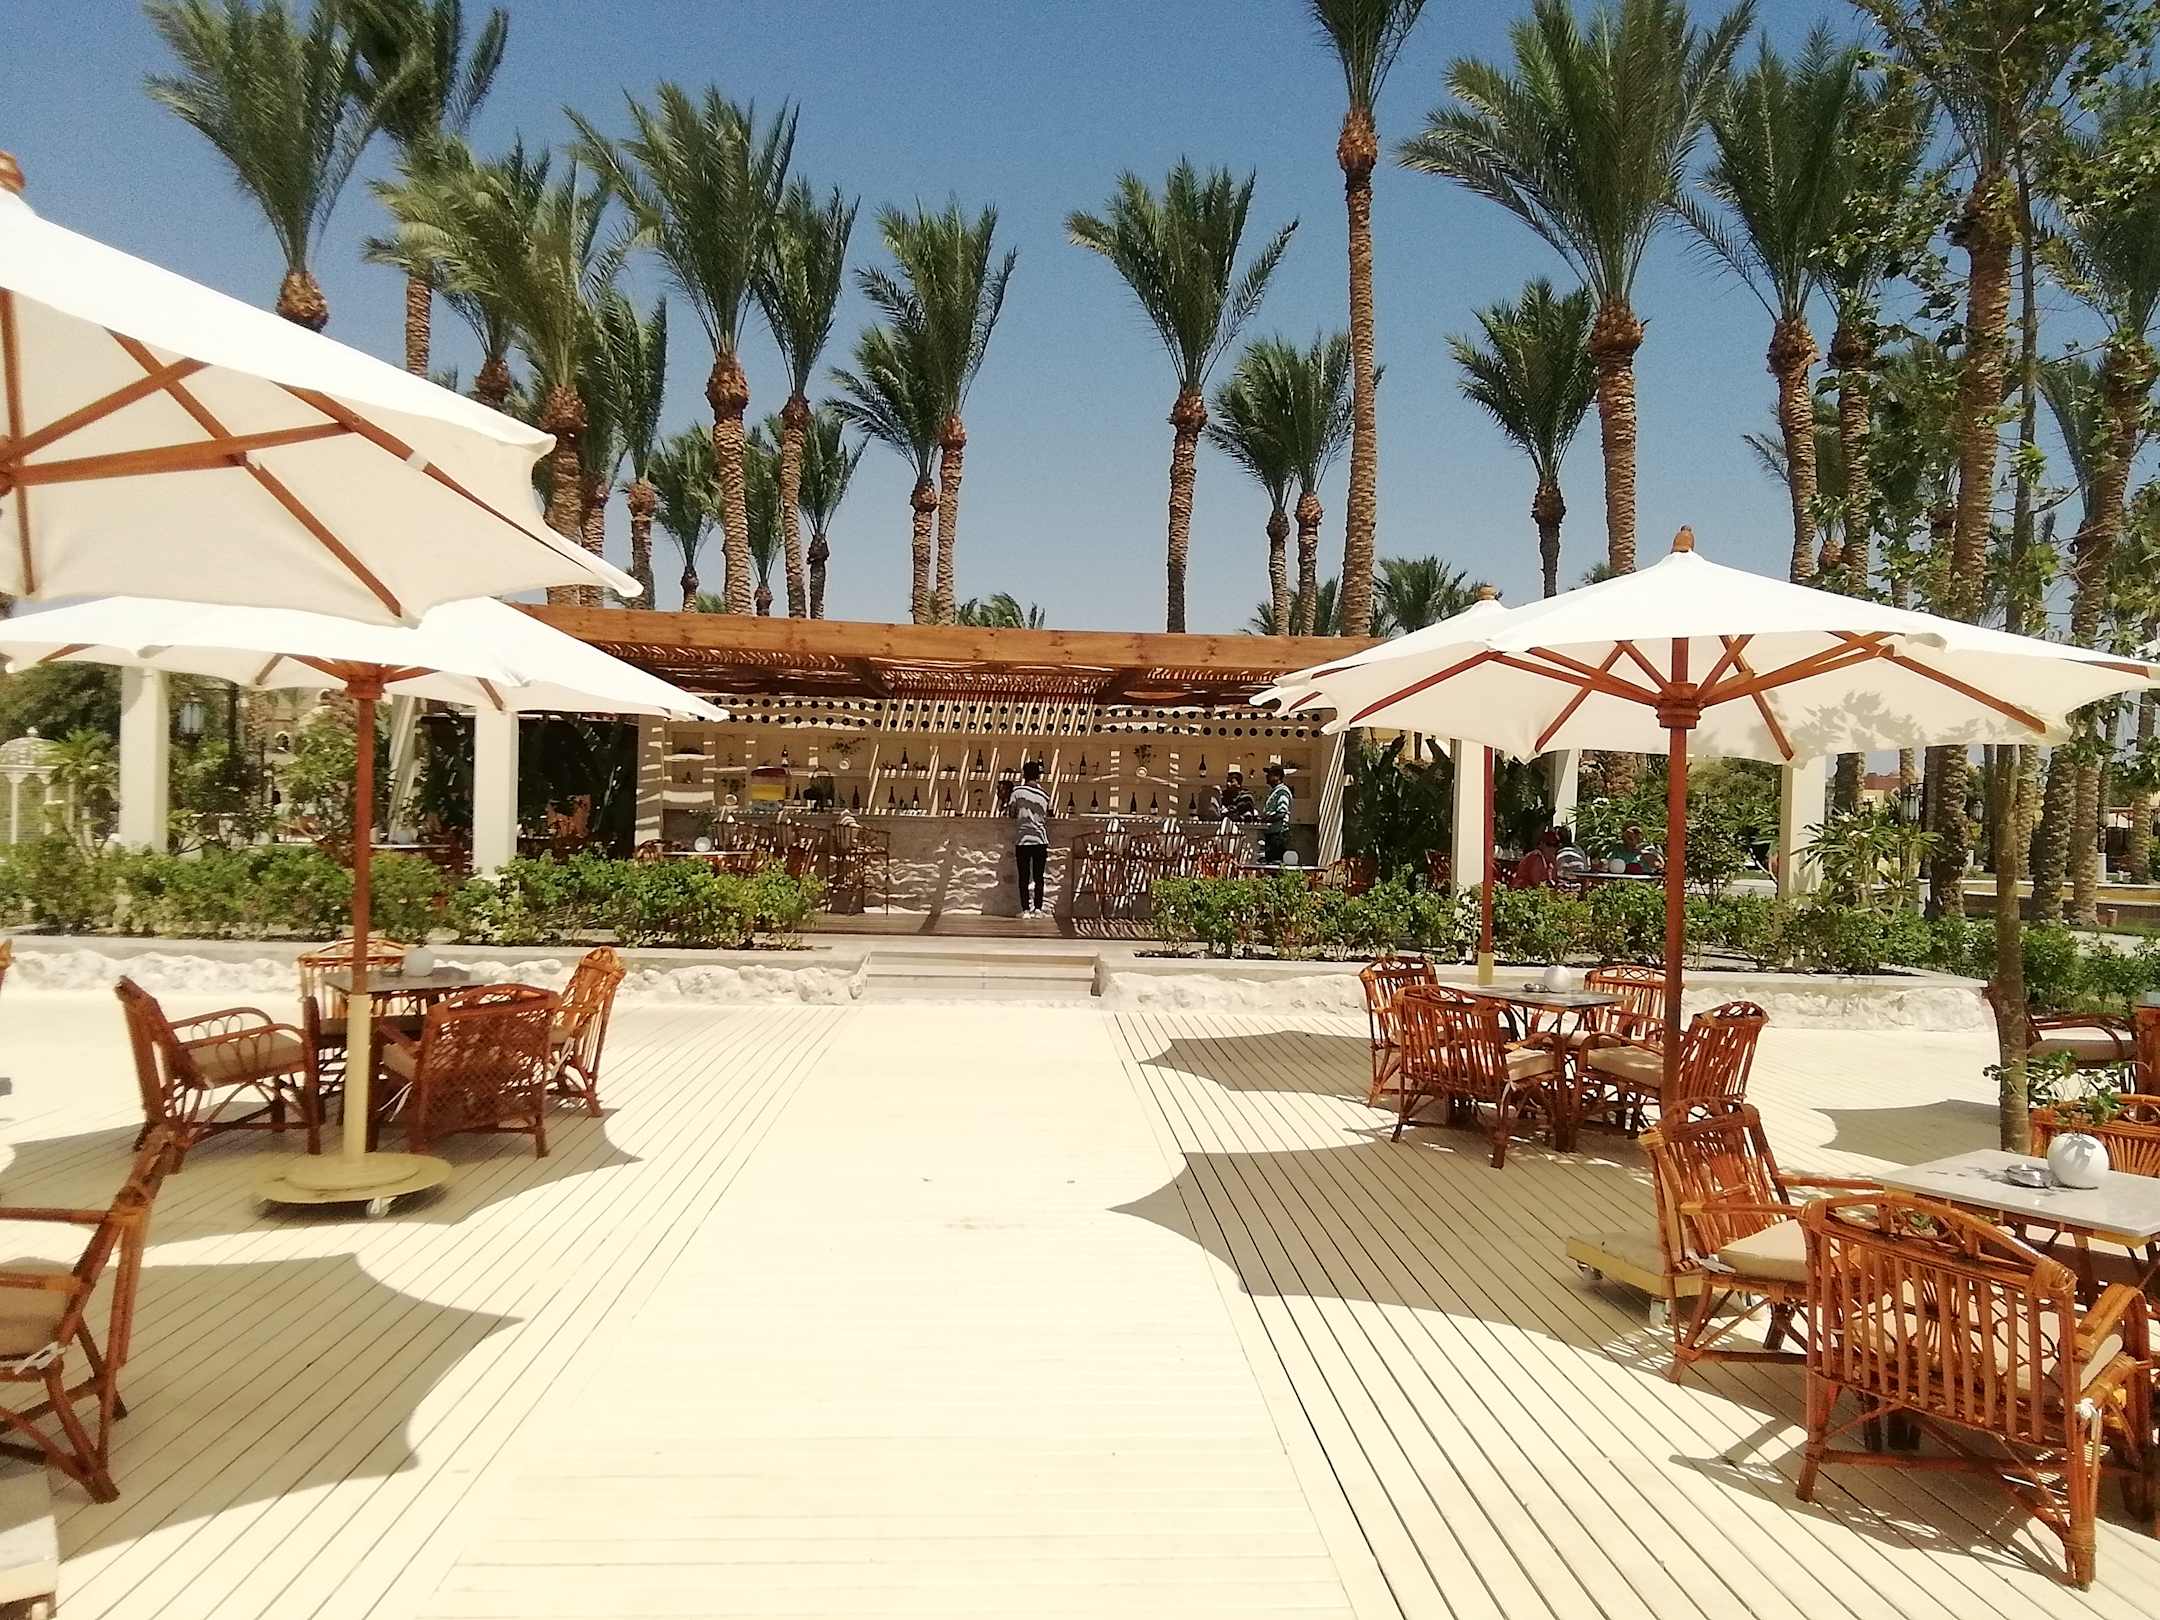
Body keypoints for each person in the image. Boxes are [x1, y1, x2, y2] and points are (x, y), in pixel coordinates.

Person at [1008, 759, 1052, 916]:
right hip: (1040, 839)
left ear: (1024, 775)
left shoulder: (1017, 792)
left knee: (1024, 876)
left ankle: (1025, 910)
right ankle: (1038, 909)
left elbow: (1012, 813)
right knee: (1039, 876)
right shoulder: (1045, 795)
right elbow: (1048, 813)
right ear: (1038, 776)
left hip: (1023, 839)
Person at [1260, 762, 1293, 865]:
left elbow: (1281, 813)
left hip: (1278, 834)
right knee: (1270, 861)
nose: (1266, 776)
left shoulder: (1282, 792)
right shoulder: (1274, 791)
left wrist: (1266, 820)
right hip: (1271, 833)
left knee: (1275, 862)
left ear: (1277, 776)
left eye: (1269, 774)